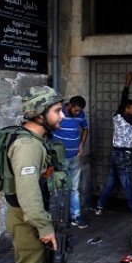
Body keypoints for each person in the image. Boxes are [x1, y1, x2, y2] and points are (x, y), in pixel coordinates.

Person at [6, 86, 85, 263]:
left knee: (57, 256)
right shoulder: (27, 146)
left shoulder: (40, 140)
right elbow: (28, 193)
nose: (62, 115)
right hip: (29, 217)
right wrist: (43, 226)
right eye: (56, 111)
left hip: (46, 212)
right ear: (39, 114)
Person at [95, 70, 132, 218]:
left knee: (110, 182)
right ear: (127, 110)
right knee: (127, 185)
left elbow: (122, 101)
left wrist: (127, 83)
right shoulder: (129, 119)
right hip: (123, 155)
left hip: (115, 153)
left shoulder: (117, 116)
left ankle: (99, 206)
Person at [50, 96, 89, 229]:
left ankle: (76, 216)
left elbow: (85, 128)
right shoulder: (59, 114)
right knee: (61, 188)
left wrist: (81, 145)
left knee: (74, 188)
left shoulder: (80, 114)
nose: (78, 113)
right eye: (76, 110)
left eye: (80, 111)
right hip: (61, 158)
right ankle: (60, 218)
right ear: (70, 105)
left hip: (75, 156)